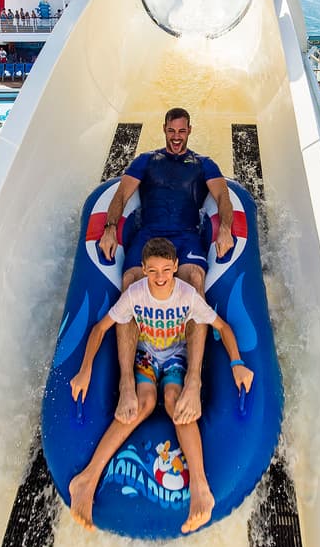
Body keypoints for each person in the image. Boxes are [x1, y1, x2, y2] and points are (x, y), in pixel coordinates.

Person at [68, 238, 253, 534]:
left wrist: (236, 363)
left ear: (176, 267)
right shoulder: (135, 294)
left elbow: (223, 327)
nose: (160, 277)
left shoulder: (188, 295)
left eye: (166, 270)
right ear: (143, 269)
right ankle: (86, 480)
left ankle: (200, 489)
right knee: (142, 402)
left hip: (176, 358)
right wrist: (85, 369)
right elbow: (101, 328)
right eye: (152, 271)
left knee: (174, 400)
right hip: (146, 356)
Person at [98, 107, 233, 426]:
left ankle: (193, 379)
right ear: (164, 129)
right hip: (148, 234)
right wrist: (109, 228)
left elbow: (223, 197)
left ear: (189, 130)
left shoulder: (203, 164)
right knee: (130, 285)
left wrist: (224, 227)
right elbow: (121, 194)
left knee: (194, 282)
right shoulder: (146, 160)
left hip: (186, 237)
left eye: (182, 131)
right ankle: (128, 383)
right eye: (171, 131)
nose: (176, 137)